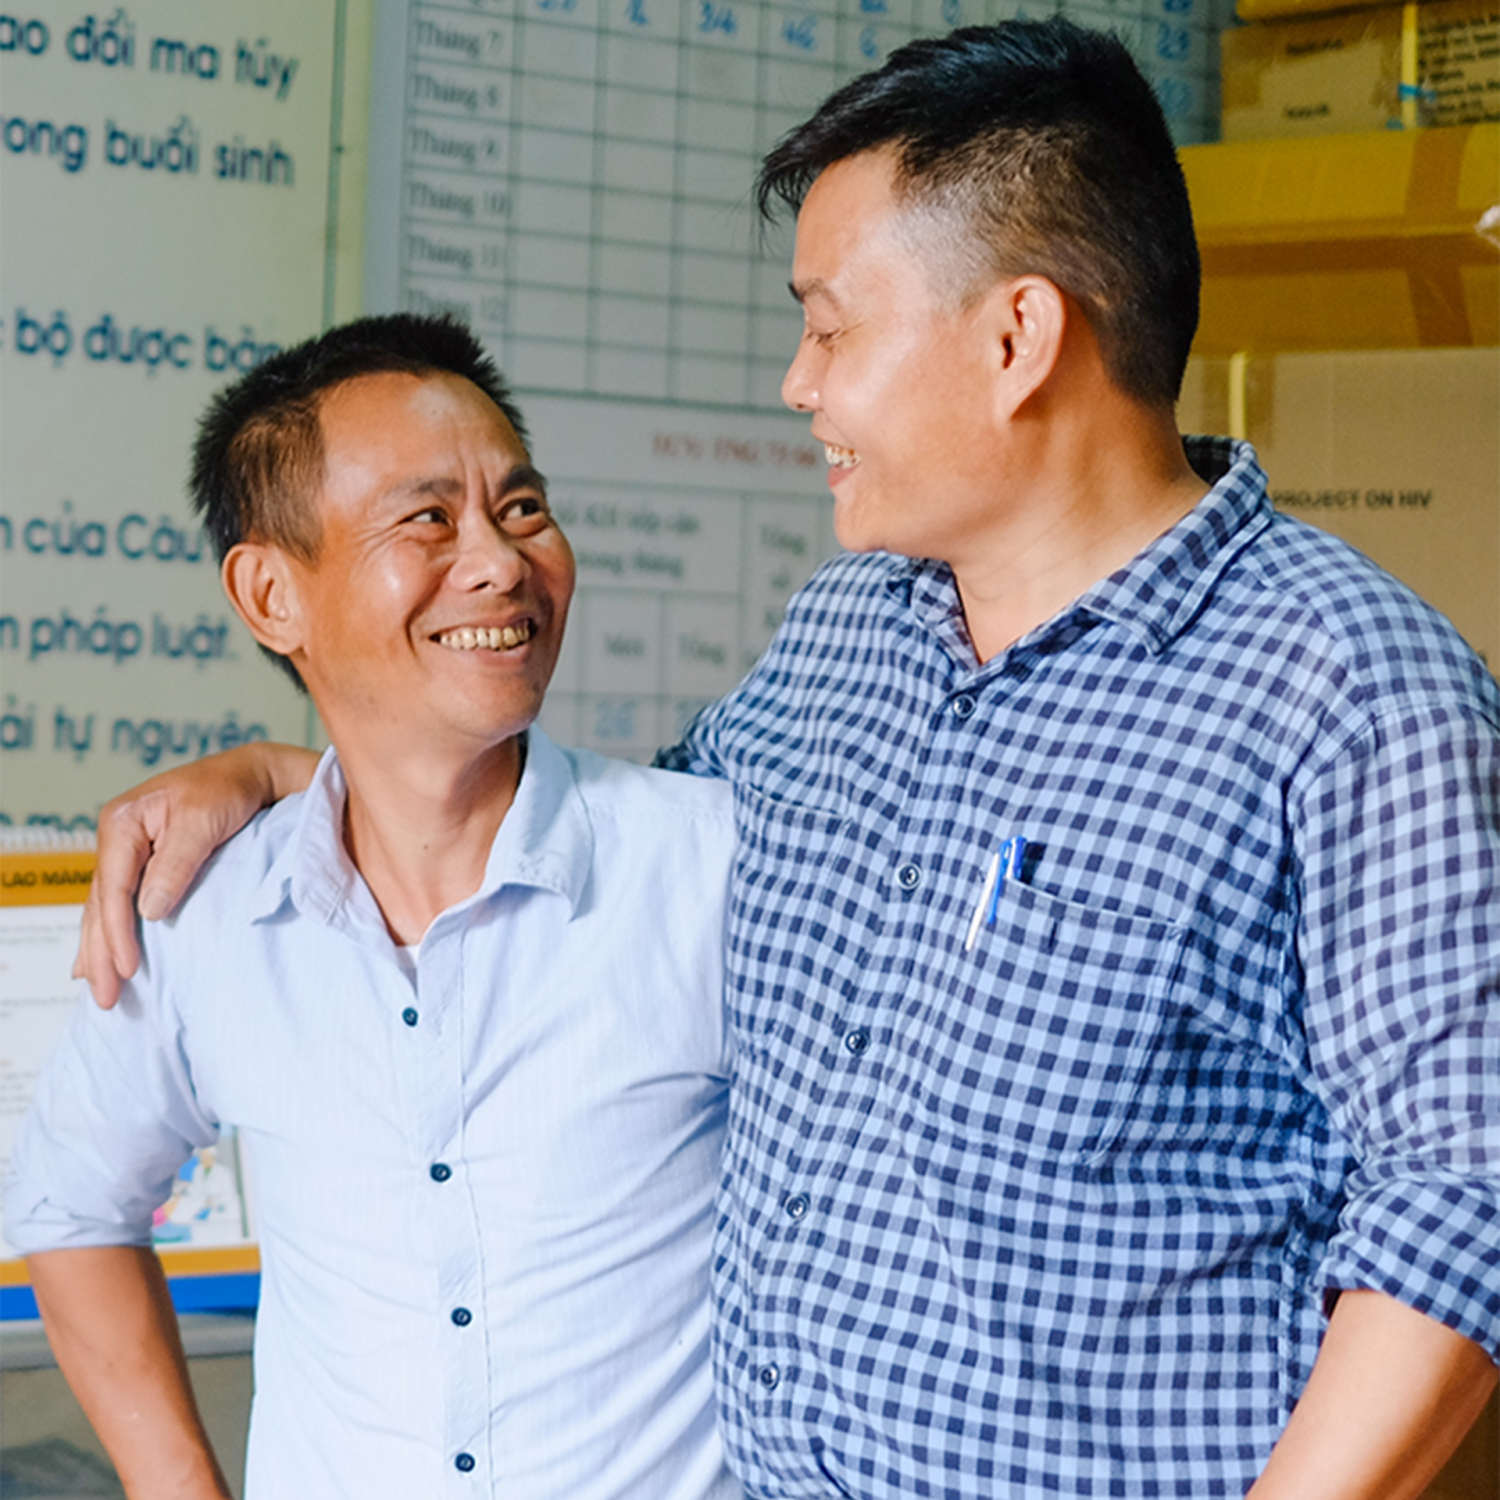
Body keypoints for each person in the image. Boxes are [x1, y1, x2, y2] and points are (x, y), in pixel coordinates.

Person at [74, 19, 1500, 1500]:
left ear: (1017, 339)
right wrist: (291, 773)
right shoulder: (851, 631)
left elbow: (1462, 1190)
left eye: (832, 327)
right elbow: (590, 825)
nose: (798, 383)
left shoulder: (1348, 691)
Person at [6, 314, 741, 1500]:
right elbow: (69, 1201)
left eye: (520, 507)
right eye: (427, 520)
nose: (500, 563)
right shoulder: (205, 910)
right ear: (270, 595)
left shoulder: (708, 869)